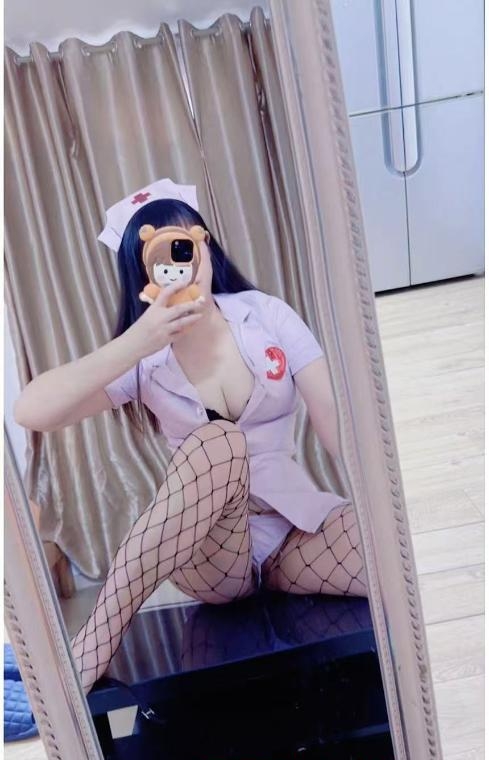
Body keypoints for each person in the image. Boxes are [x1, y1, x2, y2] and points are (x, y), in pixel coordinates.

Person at [15, 192, 367, 696]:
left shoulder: (264, 315)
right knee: (221, 441)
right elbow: (31, 410)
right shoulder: (143, 356)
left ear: (206, 246)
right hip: (209, 550)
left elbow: (336, 426)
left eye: (184, 247)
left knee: (382, 552)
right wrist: (137, 341)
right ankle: (97, 638)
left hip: (292, 529)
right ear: (142, 274)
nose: (177, 264)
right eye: (160, 257)